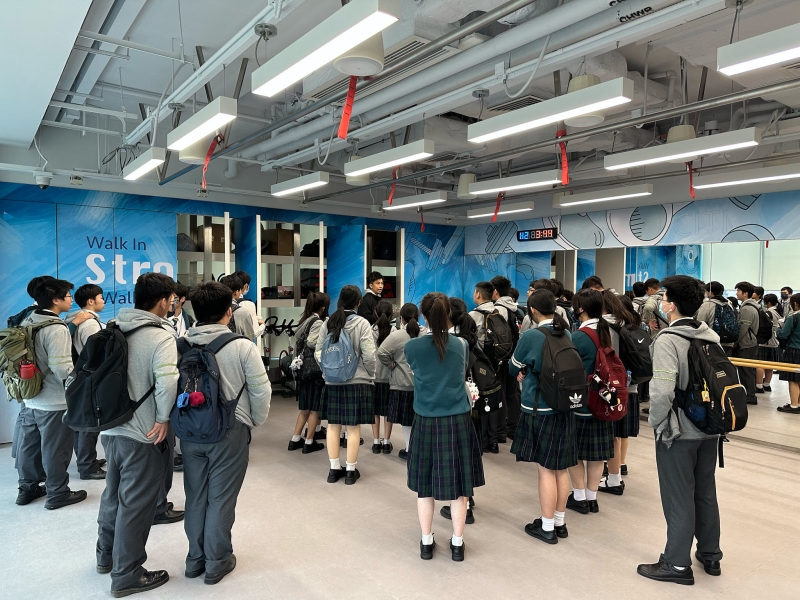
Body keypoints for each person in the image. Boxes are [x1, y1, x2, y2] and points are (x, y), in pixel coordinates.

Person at [181, 281, 271, 585]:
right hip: (229, 430)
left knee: (195, 495)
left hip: (189, 430)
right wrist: (254, 420)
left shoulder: (182, 344)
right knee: (220, 498)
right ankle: (217, 561)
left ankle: (195, 559)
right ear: (227, 312)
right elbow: (261, 390)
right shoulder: (242, 346)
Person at [96, 273, 179, 597]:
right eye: (171, 300)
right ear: (163, 301)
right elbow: (167, 381)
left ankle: (106, 555)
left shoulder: (113, 327)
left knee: (113, 495)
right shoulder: (160, 337)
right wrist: (163, 418)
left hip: (111, 429)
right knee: (135, 505)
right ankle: (127, 574)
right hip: (142, 433)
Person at [637, 275, 722, 586]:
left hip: (679, 432)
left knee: (678, 496)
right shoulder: (709, 335)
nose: (661, 301)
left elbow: (661, 391)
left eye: (663, 297)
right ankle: (710, 554)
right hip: (710, 428)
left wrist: (656, 423)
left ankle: (675, 564)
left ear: (671, 305)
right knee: (705, 491)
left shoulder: (668, 340)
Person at [405, 292, 485, 562]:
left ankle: (426, 542)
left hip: (426, 419)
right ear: (449, 313)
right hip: (457, 419)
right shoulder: (461, 345)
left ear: (423, 315)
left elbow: (417, 373)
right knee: (460, 486)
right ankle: (458, 544)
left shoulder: (412, 347)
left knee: (424, 486)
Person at [509, 289, 577, 544]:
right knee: (561, 468)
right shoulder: (566, 332)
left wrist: (524, 370)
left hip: (539, 408)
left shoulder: (531, 335)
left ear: (533, 311)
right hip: (564, 405)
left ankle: (547, 527)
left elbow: (513, 366)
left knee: (546, 470)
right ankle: (559, 522)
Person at [15, 278, 88, 509]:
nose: (70, 300)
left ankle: (27, 488)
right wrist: (79, 384)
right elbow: (61, 368)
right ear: (55, 300)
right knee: (56, 448)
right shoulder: (56, 328)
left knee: (29, 445)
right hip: (54, 400)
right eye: (67, 296)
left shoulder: (29, 319)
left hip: (31, 396)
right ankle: (57, 493)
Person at [315, 285, 376, 485]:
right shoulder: (362, 323)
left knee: (333, 426)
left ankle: (334, 470)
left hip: (332, 382)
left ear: (339, 300)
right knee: (353, 427)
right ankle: (350, 471)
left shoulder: (328, 322)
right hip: (356, 382)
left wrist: (328, 371)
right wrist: (370, 373)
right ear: (359, 302)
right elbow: (369, 354)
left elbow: (318, 352)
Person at [567, 289, 616, 515]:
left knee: (575, 451)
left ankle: (579, 497)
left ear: (581, 309)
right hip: (605, 399)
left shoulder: (578, 336)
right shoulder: (607, 331)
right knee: (596, 454)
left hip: (582, 400)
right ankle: (592, 497)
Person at [598, 291, 640, 495]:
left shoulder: (605, 326)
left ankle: (610, 470)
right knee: (621, 432)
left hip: (613, 388)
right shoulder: (629, 323)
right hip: (631, 386)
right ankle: (621, 465)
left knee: (611, 432)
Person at [65, 283, 107, 481]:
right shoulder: (90, 323)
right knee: (89, 423)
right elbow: (95, 353)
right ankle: (87, 466)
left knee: (81, 421)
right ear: (91, 301)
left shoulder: (74, 319)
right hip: (90, 376)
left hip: (79, 376)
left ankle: (86, 459)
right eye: (101, 297)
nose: (103, 301)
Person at [378, 302, 422, 460]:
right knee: (420, 419)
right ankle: (420, 447)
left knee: (406, 420)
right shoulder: (425, 334)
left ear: (401, 318)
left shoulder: (396, 336)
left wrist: (391, 364)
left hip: (401, 384)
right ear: (418, 317)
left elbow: (381, 352)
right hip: (422, 385)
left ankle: (409, 448)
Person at [288, 292, 330, 453]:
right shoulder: (317, 322)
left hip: (302, 368)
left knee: (305, 407)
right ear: (323, 307)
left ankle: (295, 439)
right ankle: (309, 441)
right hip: (314, 370)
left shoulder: (304, 320)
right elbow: (312, 343)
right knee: (315, 408)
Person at [490, 275, 520, 444]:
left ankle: (501, 431)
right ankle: (513, 428)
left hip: (502, 357)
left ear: (495, 291)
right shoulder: (515, 307)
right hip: (514, 355)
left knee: (500, 392)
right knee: (512, 393)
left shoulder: (498, 309)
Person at [734, 281, 760, 406]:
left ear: (745, 293)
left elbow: (743, 328)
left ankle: (750, 396)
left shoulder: (747, 308)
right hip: (749, 342)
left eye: (738, 291)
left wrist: (736, 341)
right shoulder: (750, 306)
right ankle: (749, 394)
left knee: (746, 371)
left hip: (747, 344)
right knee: (747, 370)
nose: (736, 293)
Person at [221, 274, 265, 341]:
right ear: (236, 292)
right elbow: (250, 335)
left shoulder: (215, 308)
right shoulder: (243, 311)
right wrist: (263, 326)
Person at [696, 282, 735, 356]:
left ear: (710, 292)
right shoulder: (729, 304)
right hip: (729, 341)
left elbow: (700, 324)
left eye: (706, 291)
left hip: (713, 342)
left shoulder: (707, 305)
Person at [776, 292, 800, 414]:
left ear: (795, 304)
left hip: (794, 349)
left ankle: (794, 405)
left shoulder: (793, 317)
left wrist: (778, 329)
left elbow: (783, 334)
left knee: (793, 379)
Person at [756, 293, 782, 394]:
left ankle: (758, 385)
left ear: (768, 303)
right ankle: (767, 384)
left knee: (760, 364)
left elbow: (763, 327)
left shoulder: (768, 312)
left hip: (766, 342)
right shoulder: (778, 312)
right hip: (775, 342)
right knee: (770, 365)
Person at [469, 281, 495, 350]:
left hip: (481, 353)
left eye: (474, 292)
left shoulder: (473, 315)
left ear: (478, 295)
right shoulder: (497, 311)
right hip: (497, 352)